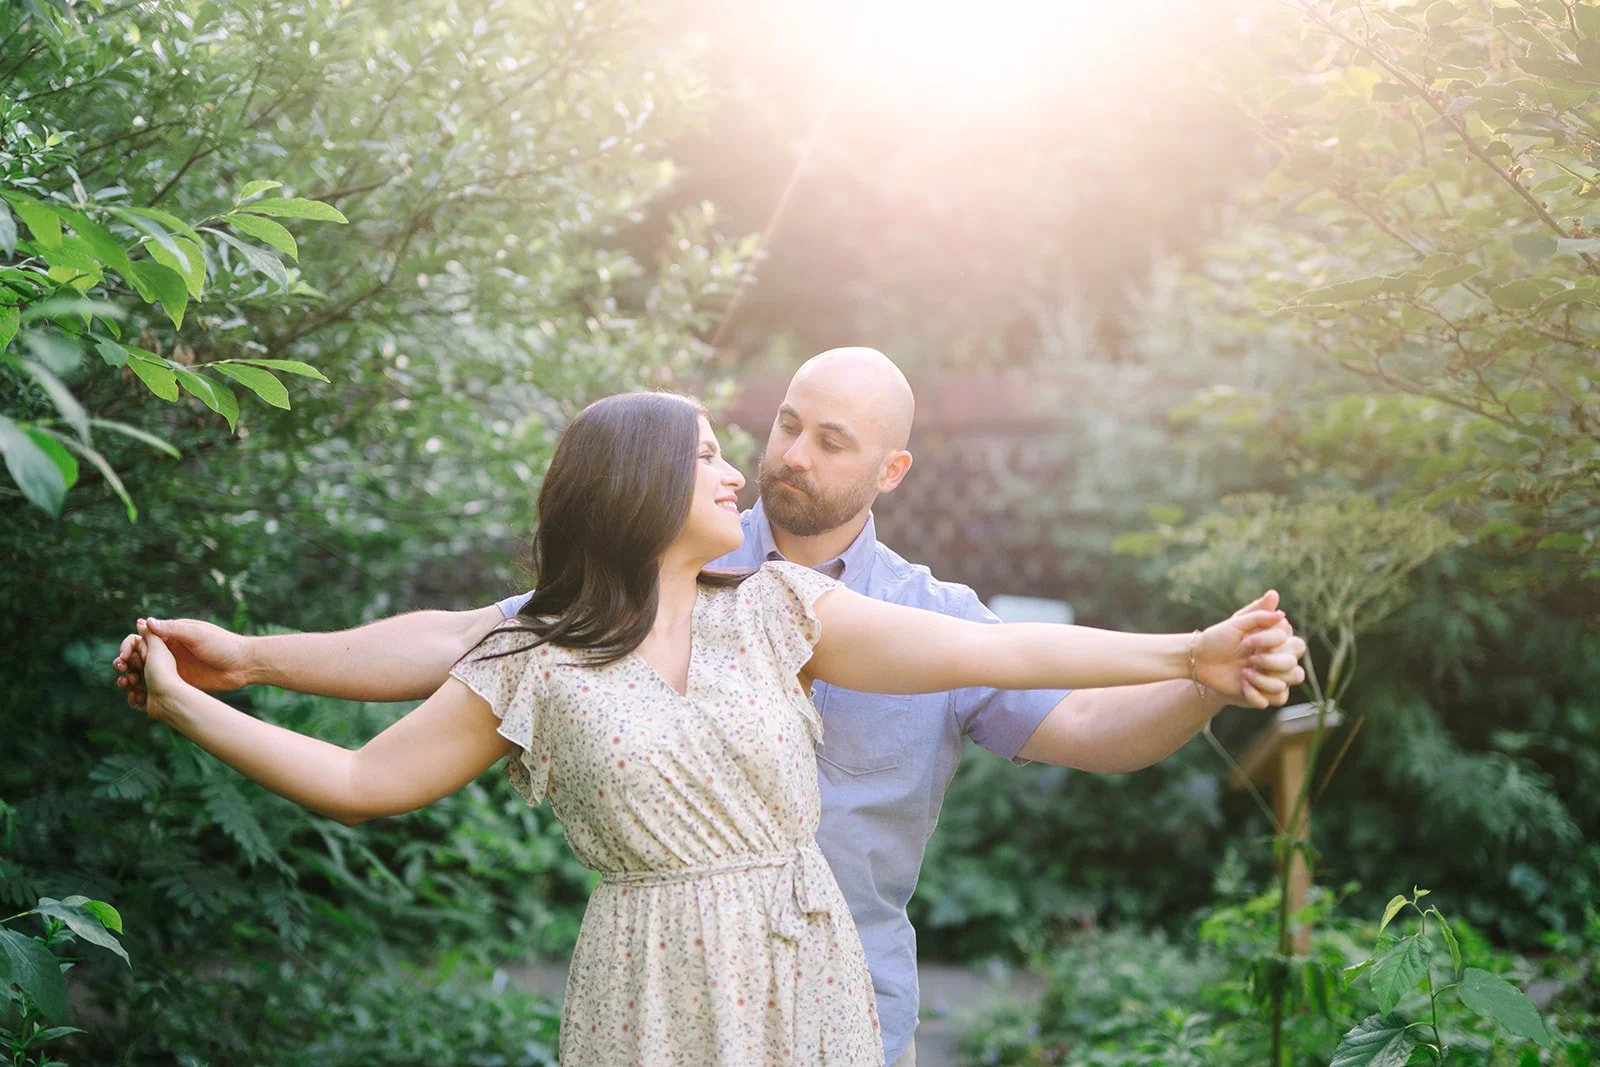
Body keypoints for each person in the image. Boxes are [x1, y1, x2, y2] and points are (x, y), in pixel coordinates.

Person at [116, 354, 1306, 1066]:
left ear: (887, 468)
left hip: (832, 971)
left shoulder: (802, 606)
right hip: (653, 981)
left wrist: (1191, 659)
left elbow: (1034, 674)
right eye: (774, 423)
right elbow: (426, 682)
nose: (769, 457)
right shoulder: (592, 614)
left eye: (825, 439)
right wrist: (238, 668)